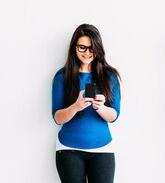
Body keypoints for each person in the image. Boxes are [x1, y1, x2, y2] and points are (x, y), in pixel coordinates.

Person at [51, 24, 121, 183]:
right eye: (82, 47)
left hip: (103, 149)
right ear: (74, 48)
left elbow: (114, 115)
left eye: (91, 48)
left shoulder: (110, 76)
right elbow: (57, 117)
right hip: (69, 150)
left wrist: (100, 107)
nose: (87, 53)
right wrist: (76, 106)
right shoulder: (62, 77)